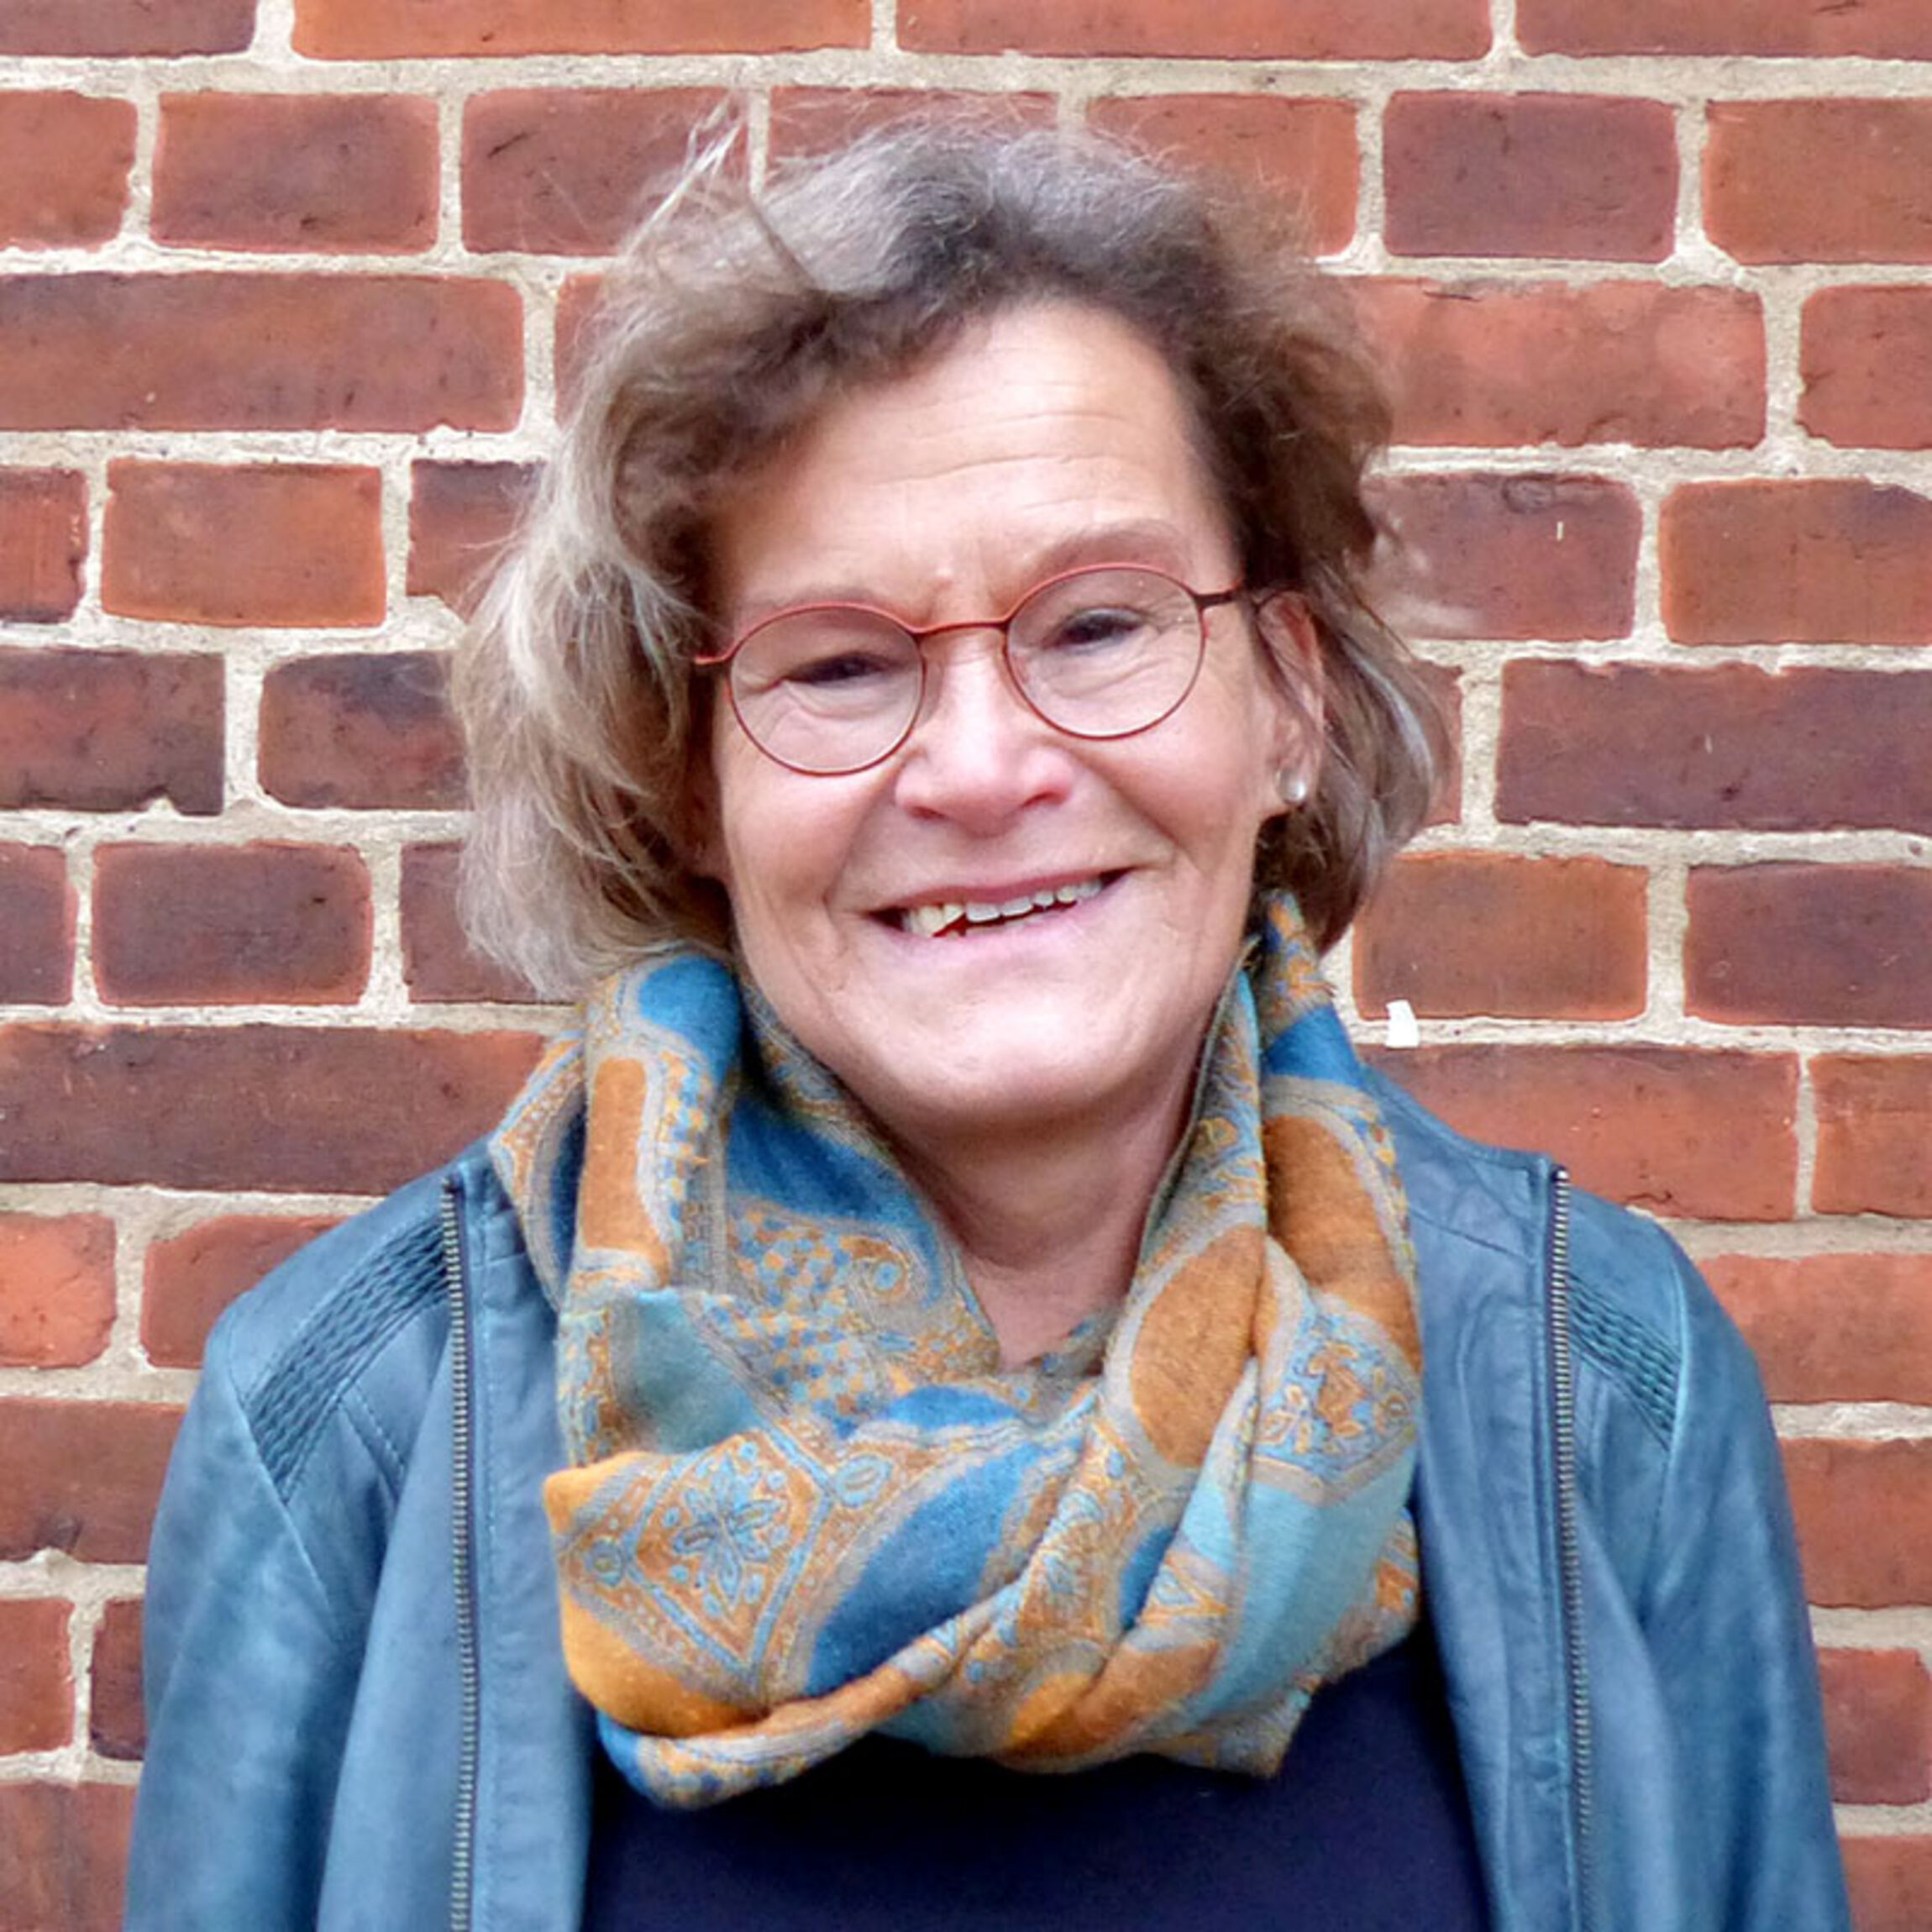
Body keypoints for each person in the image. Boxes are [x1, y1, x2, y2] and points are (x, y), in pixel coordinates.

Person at [126, 118, 1850, 1931]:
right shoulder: (355, 1423)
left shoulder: (1602, 1386)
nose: (980, 766)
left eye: (1097, 626)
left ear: (1287, 701)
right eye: (840, 663)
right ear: (690, 784)